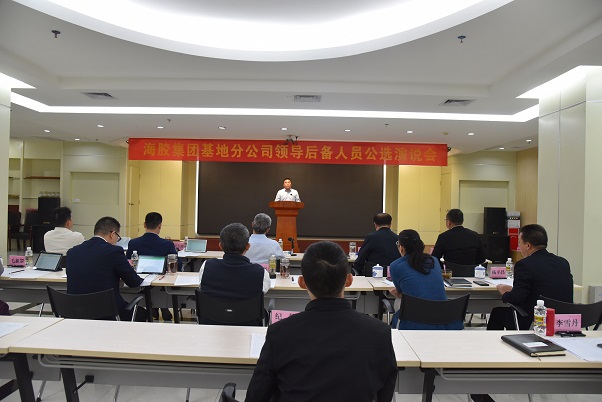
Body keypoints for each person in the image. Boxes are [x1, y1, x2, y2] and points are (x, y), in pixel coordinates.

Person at [245, 241, 397, 401]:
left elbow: (256, 396)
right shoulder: (379, 333)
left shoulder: (279, 333)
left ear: (302, 283)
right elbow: (385, 393)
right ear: (349, 280)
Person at [487, 224, 573, 330]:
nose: (519, 247)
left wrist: (505, 293)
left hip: (535, 320)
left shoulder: (524, 265)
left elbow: (516, 299)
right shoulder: (563, 262)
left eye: (519, 243)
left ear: (528, 245)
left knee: (497, 313)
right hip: (564, 321)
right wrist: (515, 291)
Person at [66, 216, 147, 321]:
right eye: (118, 237)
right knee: (142, 313)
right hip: (107, 313)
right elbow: (133, 282)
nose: (117, 241)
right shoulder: (114, 251)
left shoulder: (72, 252)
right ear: (112, 234)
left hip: (76, 313)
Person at [388, 229, 463, 330]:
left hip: (415, 319)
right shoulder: (434, 261)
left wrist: (399, 294)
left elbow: (400, 291)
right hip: (442, 318)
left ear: (401, 248)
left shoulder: (395, 265)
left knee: (399, 300)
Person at [198, 222, 270, 307]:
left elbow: (202, 287)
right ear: (248, 246)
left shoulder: (207, 267)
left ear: (220, 246)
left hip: (212, 315)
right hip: (247, 315)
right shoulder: (261, 273)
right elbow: (263, 290)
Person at [126, 212, 179, 321]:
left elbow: (128, 262)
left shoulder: (133, 243)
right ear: (160, 226)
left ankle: (155, 308)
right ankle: (162, 307)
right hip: (162, 284)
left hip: (139, 283)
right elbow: (177, 265)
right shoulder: (167, 244)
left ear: (144, 224)